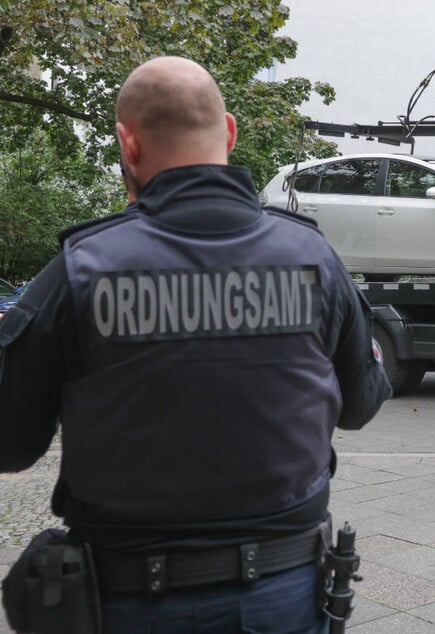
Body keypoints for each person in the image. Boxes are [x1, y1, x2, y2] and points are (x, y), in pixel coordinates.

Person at [0, 56, 391, 633]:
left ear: (128, 144)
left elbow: (11, 444)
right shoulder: (313, 260)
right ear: (229, 130)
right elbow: (360, 405)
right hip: (283, 598)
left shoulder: (81, 270)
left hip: (128, 603)